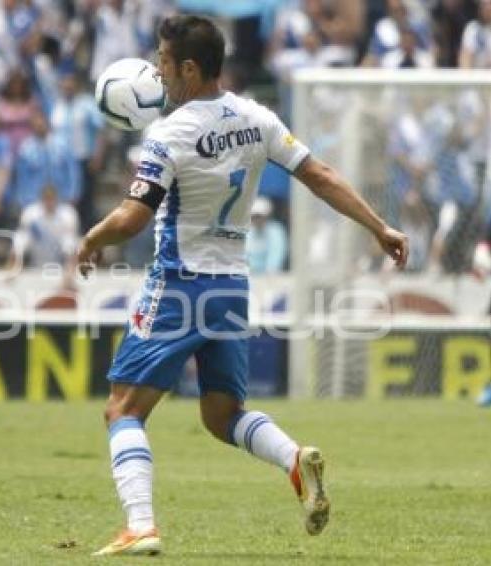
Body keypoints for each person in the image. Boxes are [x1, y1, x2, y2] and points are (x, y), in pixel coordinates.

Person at [76, 15, 409, 556]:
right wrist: (380, 227)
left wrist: (92, 238)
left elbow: (134, 216)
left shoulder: (170, 132)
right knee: (222, 415)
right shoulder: (257, 117)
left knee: (122, 410)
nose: (156, 72)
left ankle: (140, 526)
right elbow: (319, 175)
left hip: (180, 283)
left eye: (162, 61)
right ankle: (293, 459)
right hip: (232, 288)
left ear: (189, 66)